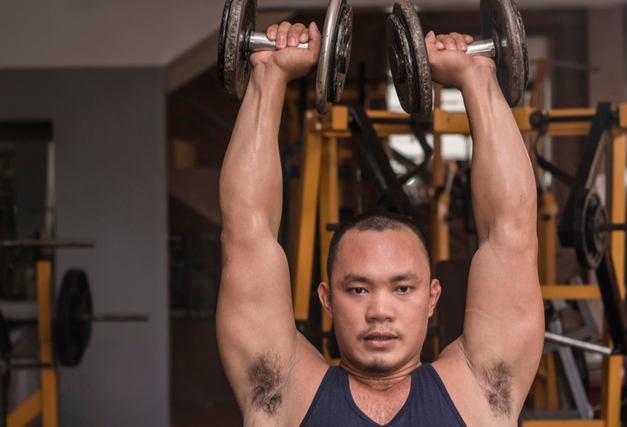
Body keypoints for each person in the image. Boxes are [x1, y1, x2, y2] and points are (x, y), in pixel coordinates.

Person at [217, 20, 544, 427]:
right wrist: (268, 74)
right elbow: (247, 235)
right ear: (328, 300)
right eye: (357, 289)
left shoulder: (482, 390)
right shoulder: (281, 392)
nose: (379, 311)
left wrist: (477, 77)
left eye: (403, 288)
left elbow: (511, 233)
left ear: (431, 297)